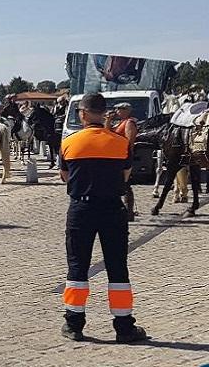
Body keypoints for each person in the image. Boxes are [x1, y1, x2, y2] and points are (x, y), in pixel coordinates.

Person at [59, 93, 147, 343]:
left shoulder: (69, 142)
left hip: (81, 209)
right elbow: (126, 175)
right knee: (117, 267)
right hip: (112, 209)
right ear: (103, 113)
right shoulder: (120, 143)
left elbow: (65, 176)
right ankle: (124, 326)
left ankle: (74, 323)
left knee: (77, 266)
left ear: (83, 114)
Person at [107, 102, 138, 221]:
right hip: (115, 155)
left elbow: (129, 141)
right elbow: (107, 132)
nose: (116, 111)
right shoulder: (119, 122)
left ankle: (128, 212)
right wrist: (108, 121)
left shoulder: (129, 123)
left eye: (119, 109)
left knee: (126, 184)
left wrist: (126, 156)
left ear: (127, 110)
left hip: (122, 156)